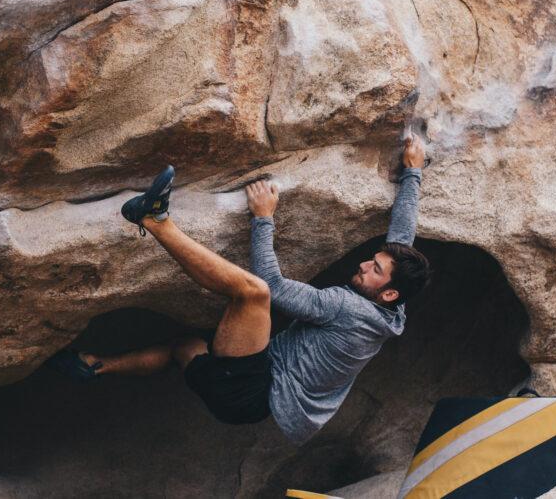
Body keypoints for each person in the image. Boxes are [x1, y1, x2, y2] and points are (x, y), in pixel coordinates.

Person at [47, 135, 431, 444]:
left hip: (253, 390)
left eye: (375, 268)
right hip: (246, 394)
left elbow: (275, 287)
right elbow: (401, 239)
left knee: (254, 294)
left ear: (389, 293)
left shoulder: (349, 309)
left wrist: (263, 218)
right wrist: (412, 172)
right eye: (373, 259)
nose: (365, 263)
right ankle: (93, 366)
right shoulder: (389, 308)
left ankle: (153, 218)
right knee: (184, 348)